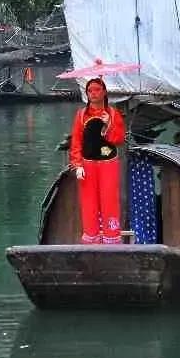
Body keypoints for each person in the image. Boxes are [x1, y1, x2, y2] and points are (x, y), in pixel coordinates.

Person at [69, 78, 126, 244]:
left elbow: (119, 139)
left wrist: (108, 125)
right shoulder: (81, 115)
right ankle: (91, 239)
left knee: (109, 200)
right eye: (90, 91)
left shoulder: (113, 114)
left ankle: (112, 238)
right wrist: (77, 165)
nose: (93, 93)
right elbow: (76, 142)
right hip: (87, 164)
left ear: (104, 92)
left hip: (108, 164)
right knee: (89, 202)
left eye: (97, 90)